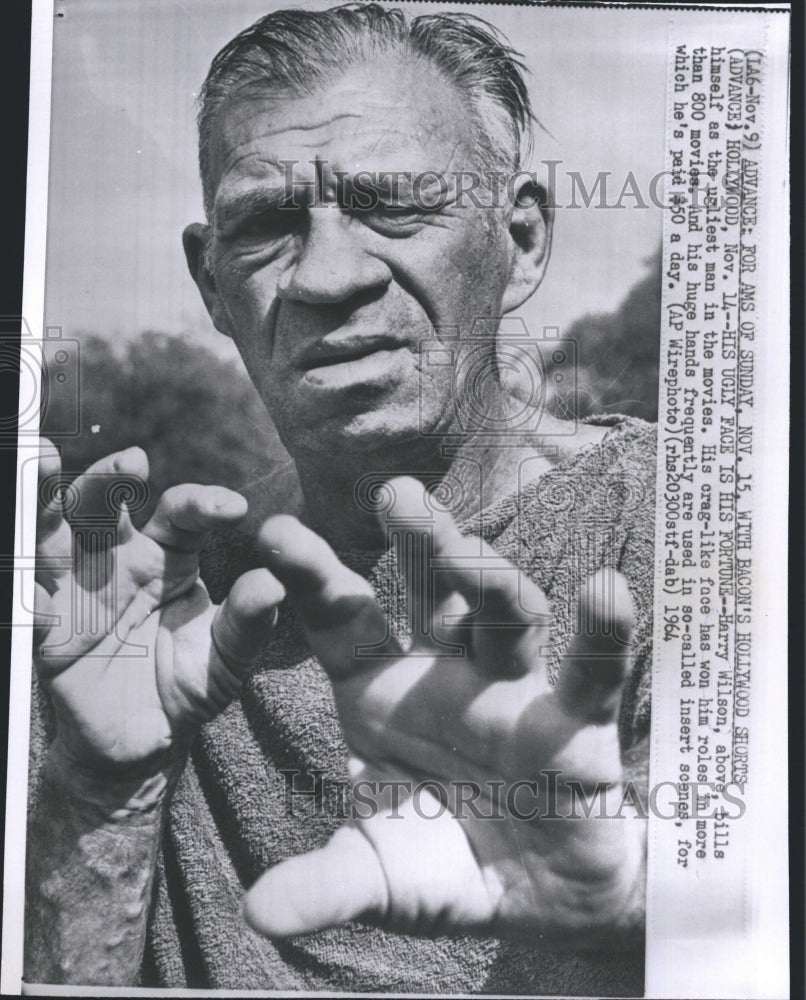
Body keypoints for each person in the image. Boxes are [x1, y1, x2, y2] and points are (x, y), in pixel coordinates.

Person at [25, 4, 655, 992]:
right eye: (267, 223)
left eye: (395, 204)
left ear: (520, 240)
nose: (326, 273)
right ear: (210, 283)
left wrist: (636, 899)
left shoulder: (683, 537)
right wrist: (100, 784)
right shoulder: (155, 610)